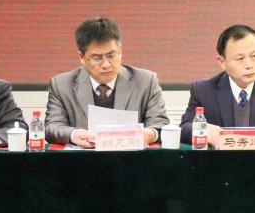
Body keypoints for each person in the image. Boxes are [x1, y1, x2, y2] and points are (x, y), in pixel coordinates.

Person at [45, 17, 168, 147]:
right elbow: (51, 127)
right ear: (81, 57)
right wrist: (73, 134)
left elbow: (160, 124)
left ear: (120, 51)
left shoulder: (146, 81)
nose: (106, 64)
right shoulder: (62, 85)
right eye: (97, 58)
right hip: (83, 157)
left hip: (131, 157)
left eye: (111, 55)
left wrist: (150, 133)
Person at [179, 24, 255, 147]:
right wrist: (204, 130)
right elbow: (184, 128)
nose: (249, 65)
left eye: (254, 56)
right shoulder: (203, 90)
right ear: (222, 62)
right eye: (240, 58)